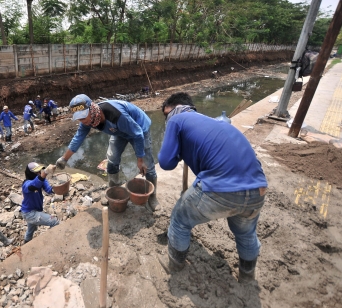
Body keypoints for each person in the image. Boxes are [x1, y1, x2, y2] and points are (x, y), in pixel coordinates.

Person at [157, 92, 268, 283]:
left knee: (180, 220)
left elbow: (166, 163)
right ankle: (247, 277)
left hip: (222, 188)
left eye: (167, 114)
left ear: (176, 109)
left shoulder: (177, 120)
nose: (167, 120)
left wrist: (176, 151)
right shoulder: (216, 122)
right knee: (246, 232)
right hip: (258, 188)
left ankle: (175, 266)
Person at [55, 94, 159, 210]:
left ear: (92, 109)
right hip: (119, 131)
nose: (82, 121)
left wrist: (140, 159)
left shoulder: (115, 114)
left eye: (83, 117)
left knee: (147, 163)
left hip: (139, 129)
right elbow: (78, 138)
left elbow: (137, 133)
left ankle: (152, 197)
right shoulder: (88, 121)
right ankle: (113, 190)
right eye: (79, 118)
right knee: (112, 158)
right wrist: (64, 159)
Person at [21, 162, 59, 243]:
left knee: (31, 229)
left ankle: (26, 243)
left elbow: (48, 189)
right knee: (54, 221)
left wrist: (56, 189)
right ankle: (55, 241)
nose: (39, 173)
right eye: (36, 172)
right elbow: (34, 185)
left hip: (35, 211)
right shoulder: (26, 184)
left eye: (39, 171)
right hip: (29, 213)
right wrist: (45, 172)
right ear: (30, 173)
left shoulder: (41, 179)